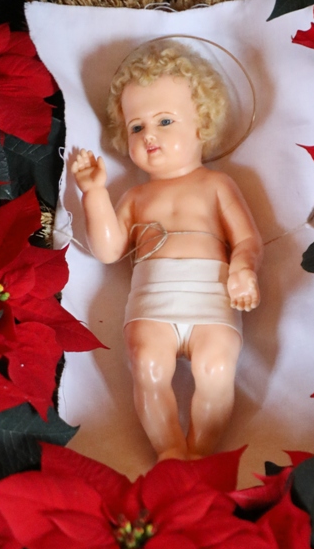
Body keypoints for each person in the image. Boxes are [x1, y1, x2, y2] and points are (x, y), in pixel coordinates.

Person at [71, 40, 262, 461]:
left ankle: (201, 451)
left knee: (215, 368)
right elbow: (108, 250)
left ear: (202, 124)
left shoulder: (217, 185)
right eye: (136, 127)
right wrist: (94, 193)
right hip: (152, 300)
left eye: (164, 121)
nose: (150, 135)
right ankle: (171, 450)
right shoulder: (136, 197)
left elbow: (247, 240)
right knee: (148, 365)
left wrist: (243, 269)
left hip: (211, 297)